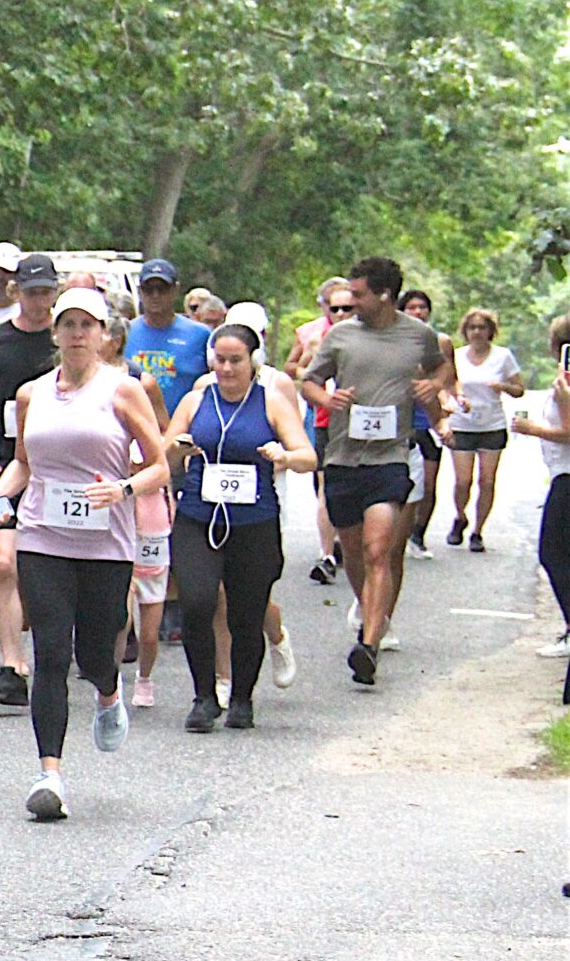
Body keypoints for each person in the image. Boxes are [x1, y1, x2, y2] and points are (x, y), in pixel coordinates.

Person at [0, 288, 168, 818]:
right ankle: (50, 776)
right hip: (43, 535)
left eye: (88, 324)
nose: (78, 334)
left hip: (106, 542)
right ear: (55, 333)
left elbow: (158, 465)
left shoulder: (124, 391)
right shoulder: (31, 395)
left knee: (95, 650)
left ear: (104, 334)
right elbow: (23, 463)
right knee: (51, 653)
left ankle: (108, 691)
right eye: (68, 324)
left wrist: (124, 489)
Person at [299, 257, 446, 684]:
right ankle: (369, 611)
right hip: (344, 457)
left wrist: (432, 386)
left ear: (384, 295)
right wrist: (325, 400)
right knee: (355, 551)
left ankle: (369, 642)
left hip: (390, 457)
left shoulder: (417, 336)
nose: (350, 302)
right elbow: (308, 381)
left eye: (358, 294)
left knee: (380, 548)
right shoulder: (341, 336)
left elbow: (439, 367)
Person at [166, 324, 316, 731]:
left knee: (246, 614)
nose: (227, 368)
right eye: (220, 359)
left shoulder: (271, 403)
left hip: (253, 522)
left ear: (253, 361)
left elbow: (307, 456)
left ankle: (242, 698)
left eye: (236, 360)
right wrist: (178, 448)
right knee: (196, 602)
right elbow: (162, 451)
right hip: (200, 516)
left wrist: (283, 455)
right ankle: (203, 696)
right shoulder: (197, 400)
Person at [0, 251, 60, 709]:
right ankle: (12, 667)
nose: (39, 301)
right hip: (4, 467)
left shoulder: (65, 342)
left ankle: (54, 656)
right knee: (2, 563)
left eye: (47, 292)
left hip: (56, 469)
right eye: (32, 291)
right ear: (16, 291)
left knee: (44, 570)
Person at [512, 319, 570, 678]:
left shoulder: (564, 385)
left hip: (567, 475)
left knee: (552, 552)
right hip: (561, 473)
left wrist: (533, 429)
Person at [289, 278, 355, 583]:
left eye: (348, 308)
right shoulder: (317, 338)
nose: (341, 314)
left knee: (355, 489)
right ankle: (327, 554)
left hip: (365, 425)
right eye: (335, 308)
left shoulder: (376, 337)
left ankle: (353, 546)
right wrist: (321, 388)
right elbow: (300, 372)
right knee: (327, 488)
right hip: (327, 420)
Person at [443, 308, 522, 550]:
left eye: (482, 327)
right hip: (462, 424)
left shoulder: (503, 356)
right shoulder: (456, 356)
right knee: (462, 481)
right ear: (465, 332)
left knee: (487, 481)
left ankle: (478, 531)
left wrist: (504, 386)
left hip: (491, 424)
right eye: (472, 328)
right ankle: (460, 516)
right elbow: (445, 386)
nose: (477, 332)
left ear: (491, 331)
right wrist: (451, 403)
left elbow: (520, 390)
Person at [397, 288, 459, 555]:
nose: (418, 312)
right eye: (411, 307)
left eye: (422, 307)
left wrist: (449, 401)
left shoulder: (439, 341)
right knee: (401, 482)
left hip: (428, 419)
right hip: (401, 420)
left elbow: (448, 379)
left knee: (428, 484)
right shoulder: (393, 341)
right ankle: (398, 531)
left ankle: (418, 534)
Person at [124, 258, 213, 420]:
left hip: (184, 432)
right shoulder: (125, 333)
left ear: (175, 290)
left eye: (162, 288)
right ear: (139, 292)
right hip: (133, 431)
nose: (155, 295)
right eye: (148, 289)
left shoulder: (201, 335)